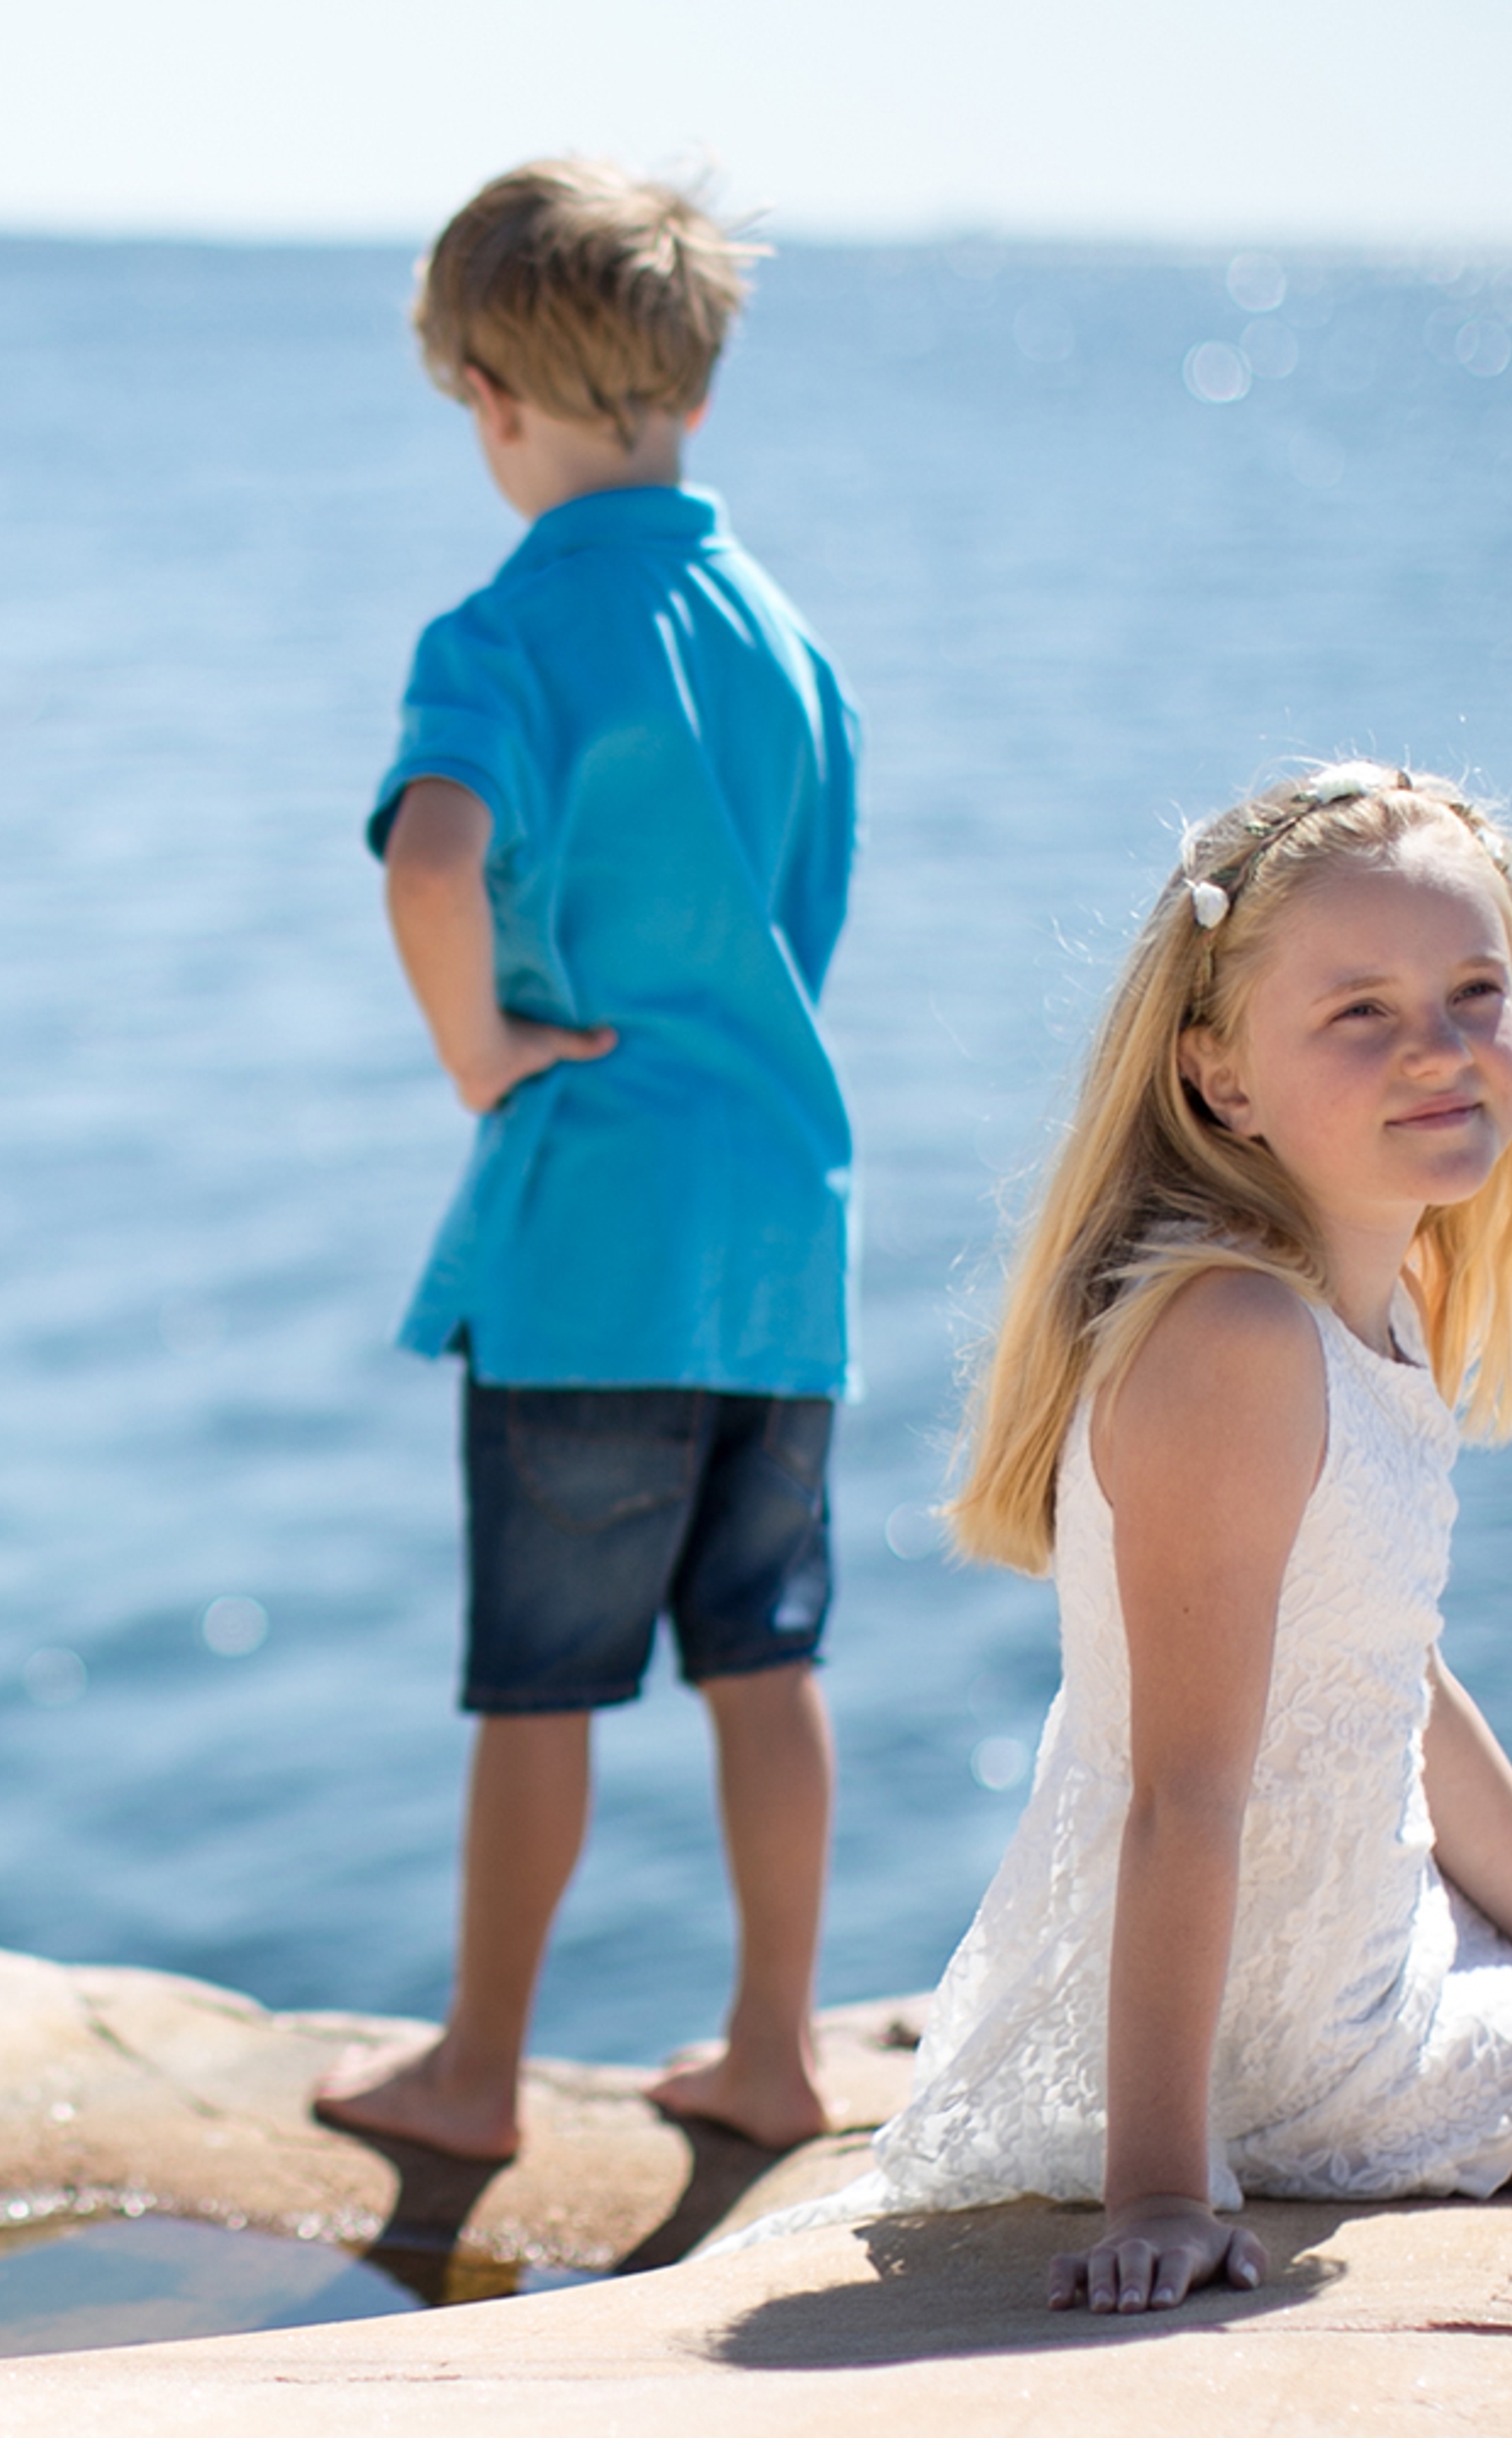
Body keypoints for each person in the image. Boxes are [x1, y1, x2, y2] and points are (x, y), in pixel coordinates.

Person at [890, 764, 1512, 2312]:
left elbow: (1388, 1679)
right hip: (1302, 2045)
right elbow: (1182, 1794)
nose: (1439, 1049)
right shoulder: (1234, 1339)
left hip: (1357, 1956)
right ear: (1220, 1076)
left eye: (1473, 991)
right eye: (1359, 1013)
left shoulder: (1373, 1293)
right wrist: (1164, 2189)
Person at [312, 161, 858, 2162]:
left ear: (483, 394)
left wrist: (478, 1050)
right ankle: (776, 2052)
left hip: (593, 1243)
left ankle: (474, 2075)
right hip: (786, 1233)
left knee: (539, 1687)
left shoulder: (507, 632)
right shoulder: (790, 642)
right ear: (694, 390)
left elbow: (435, 854)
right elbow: (802, 924)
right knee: (765, 1655)